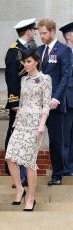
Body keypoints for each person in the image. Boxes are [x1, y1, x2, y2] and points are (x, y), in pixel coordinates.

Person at [5, 48, 52, 211]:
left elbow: (46, 105)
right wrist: (16, 121)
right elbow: (22, 102)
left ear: (36, 61)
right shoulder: (23, 80)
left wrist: (41, 125)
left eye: (29, 61)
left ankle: (31, 197)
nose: (26, 64)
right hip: (21, 122)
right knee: (10, 157)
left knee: (29, 162)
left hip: (35, 124)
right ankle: (20, 189)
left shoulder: (45, 79)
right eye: (24, 62)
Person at [37, 19, 72, 185]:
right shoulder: (38, 50)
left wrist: (57, 98)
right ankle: (26, 174)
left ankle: (57, 173)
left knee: (56, 140)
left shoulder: (64, 51)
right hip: (38, 104)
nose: (42, 36)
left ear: (52, 32)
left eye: (44, 33)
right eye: (40, 33)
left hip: (55, 104)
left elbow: (65, 76)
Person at [5, 18, 37, 187]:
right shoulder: (14, 50)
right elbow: (11, 78)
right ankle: (15, 172)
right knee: (15, 137)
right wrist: (14, 102)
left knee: (28, 138)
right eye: (34, 30)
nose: (35, 33)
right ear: (28, 31)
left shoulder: (31, 49)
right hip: (19, 103)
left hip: (31, 102)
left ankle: (25, 174)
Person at [59, 22, 73, 176]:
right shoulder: (61, 52)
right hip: (66, 100)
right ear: (69, 36)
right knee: (65, 137)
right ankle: (64, 167)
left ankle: (71, 167)